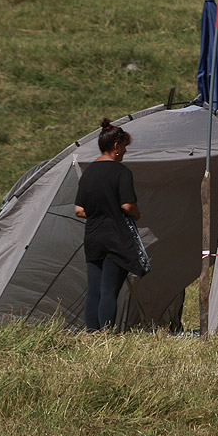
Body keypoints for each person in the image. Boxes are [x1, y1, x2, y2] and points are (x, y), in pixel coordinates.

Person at [74, 119, 144, 332]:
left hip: (93, 236)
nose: (124, 152)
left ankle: (92, 333)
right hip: (116, 236)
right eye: (124, 147)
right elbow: (127, 205)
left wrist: (99, 212)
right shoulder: (121, 172)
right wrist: (137, 214)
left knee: (94, 290)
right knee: (109, 291)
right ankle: (105, 335)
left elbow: (79, 210)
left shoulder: (88, 173)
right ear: (116, 146)